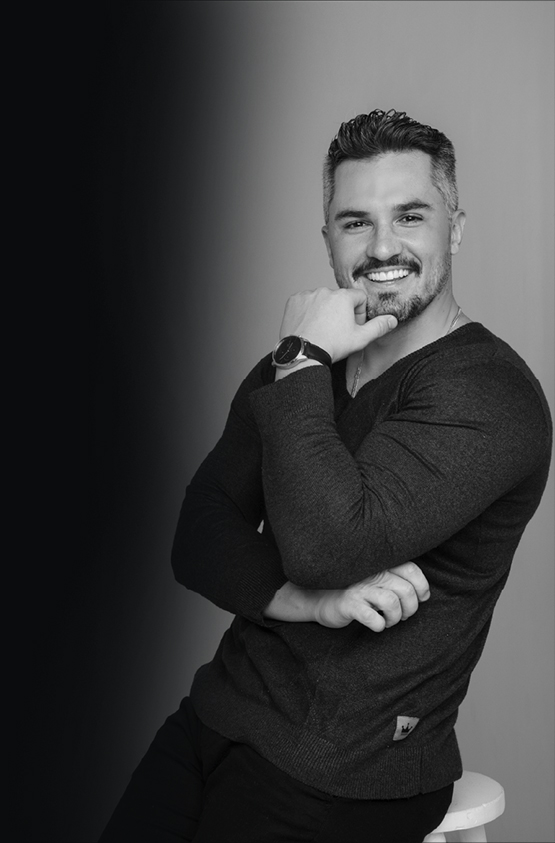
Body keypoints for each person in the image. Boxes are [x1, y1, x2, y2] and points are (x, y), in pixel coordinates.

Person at [99, 109, 552, 843]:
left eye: (410, 216)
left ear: (456, 229)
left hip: (346, 768)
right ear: (328, 239)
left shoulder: (486, 392)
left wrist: (302, 356)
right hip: (217, 716)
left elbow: (329, 546)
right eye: (355, 222)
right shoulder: (304, 368)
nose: (382, 247)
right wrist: (309, 603)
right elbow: (199, 532)